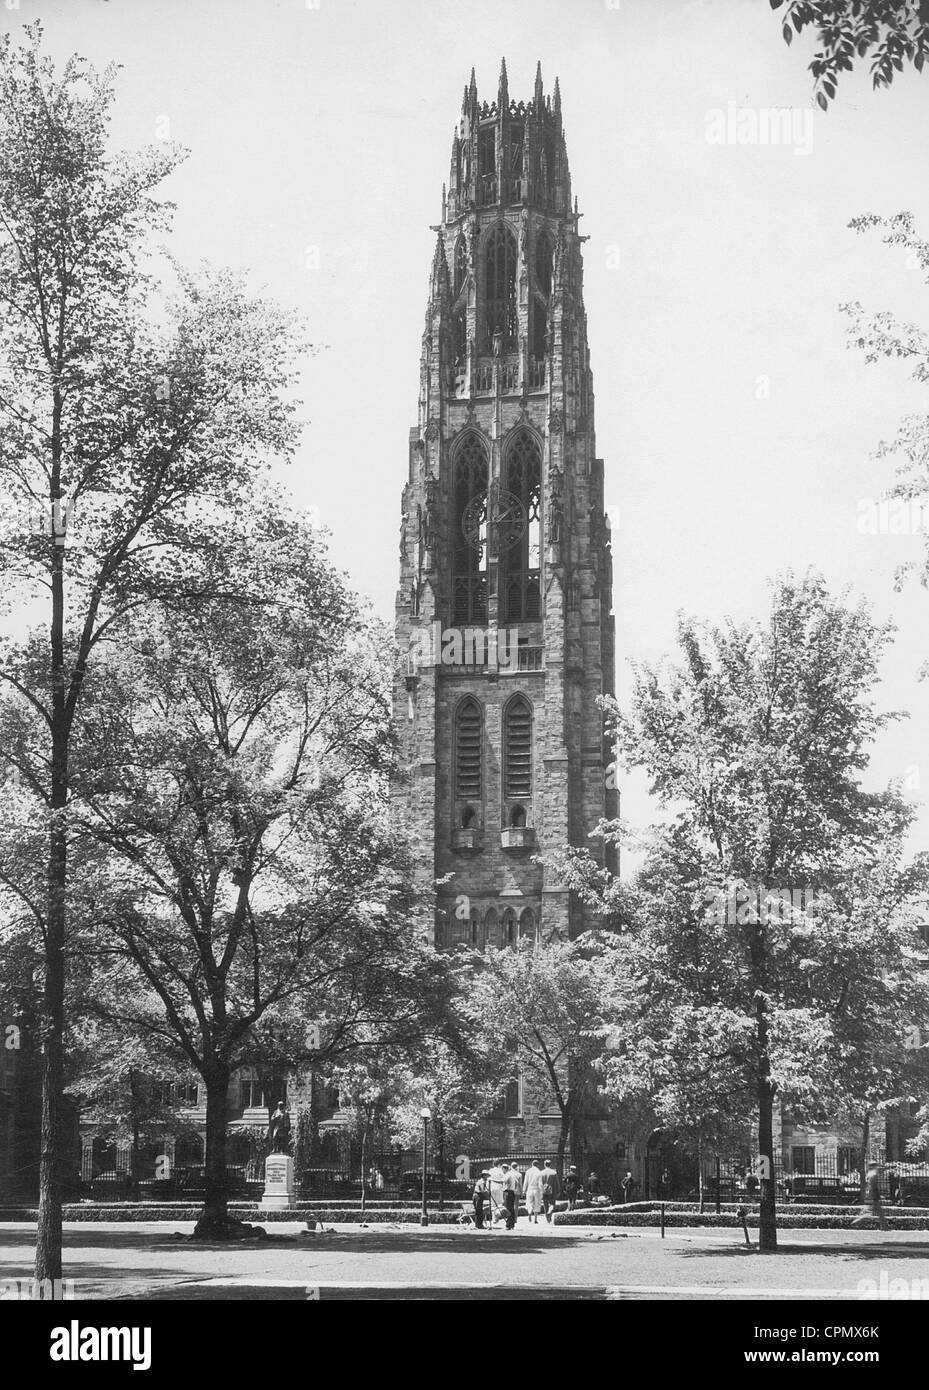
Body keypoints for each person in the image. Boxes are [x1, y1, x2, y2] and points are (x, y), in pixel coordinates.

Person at [523, 1159, 544, 1224]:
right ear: (538, 1165)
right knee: (537, 1204)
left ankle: (529, 1212)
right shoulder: (539, 1172)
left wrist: (524, 1190)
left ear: (532, 1164)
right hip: (536, 1189)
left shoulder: (528, 1171)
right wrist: (541, 1191)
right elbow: (540, 1183)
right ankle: (535, 1219)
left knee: (529, 1202)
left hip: (529, 1188)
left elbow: (525, 1182)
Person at [488, 1160, 506, 1227]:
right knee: (499, 1203)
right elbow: (503, 1180)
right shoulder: (500, 1171)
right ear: (499, 1164)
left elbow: (488, 1180)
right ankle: (497, 1216)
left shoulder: (490, 1171)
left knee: (493, 1204)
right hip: (499, 1188)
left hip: (492, 1187)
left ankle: (494, 1218)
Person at [503, 1162, 521, 1229]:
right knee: (513, 1207)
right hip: (513, 1191)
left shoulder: (508, 1174)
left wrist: (493, 1180)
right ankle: (512, 1222)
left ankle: (509, 1223)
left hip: (508, 1191)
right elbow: (518, 1183)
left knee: (508, 1208)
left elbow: (503, 1181)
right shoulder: (517, 1174)